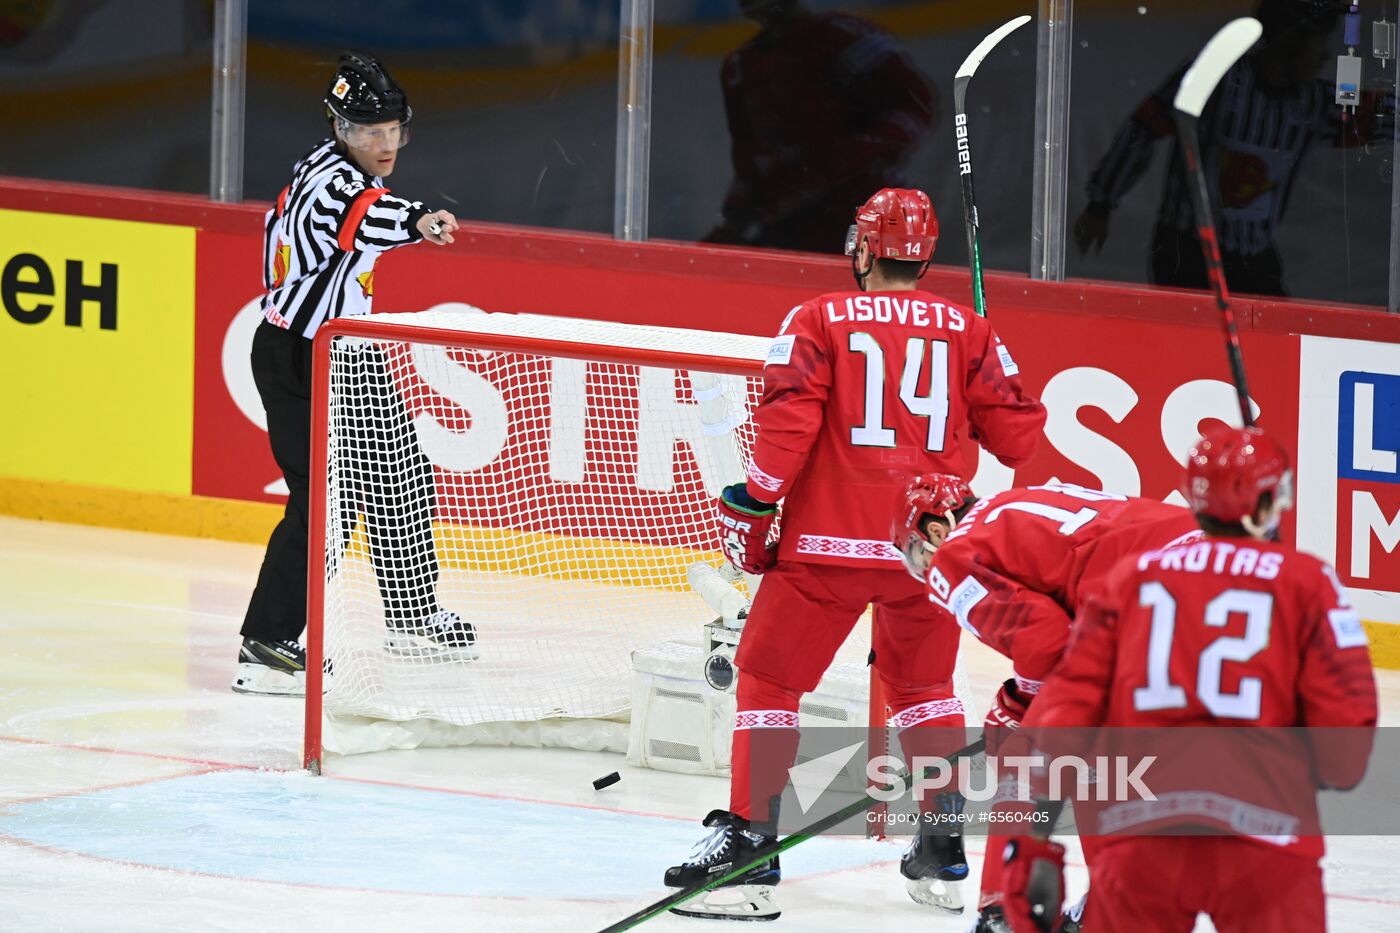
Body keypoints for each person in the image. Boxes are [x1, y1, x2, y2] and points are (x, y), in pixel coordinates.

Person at [661, 187, 1046, 921]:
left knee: (770, 679)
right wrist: (988, 353)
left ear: (864, 248)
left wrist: (758, 499)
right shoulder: (969, 328)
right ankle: (941, 849)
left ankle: (750, 853)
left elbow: (786, 429)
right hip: (927, 548)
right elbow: (1018, 439)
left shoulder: (817, 318)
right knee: (926, 688)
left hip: (826, 544)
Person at [996, 425, 1378, 933]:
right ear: (1270, 502)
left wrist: (1034, 838)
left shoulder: (1131, 578)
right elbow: (1347, 730)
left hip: (1143, 838)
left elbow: (1063, 714)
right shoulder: (1308, 581)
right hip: (1267, 837)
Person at [234, 50, 475, 697]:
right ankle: (265, 644)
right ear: (340, 129)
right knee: (323, 503)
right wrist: (421, 219)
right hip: (300, 357)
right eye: (370, 131)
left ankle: (410, 610)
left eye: (394, 129)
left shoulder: (342, 167)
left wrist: (411, 214)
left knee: (400, 468)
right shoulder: (331, 184)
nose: (385, 142)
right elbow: (363, 217)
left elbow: (368, 208)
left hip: (348, 353)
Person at [890, 474, 1203, 930]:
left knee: (1025, 750)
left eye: (918, 551)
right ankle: (1115, 905)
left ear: (937, 529)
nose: (925, 566)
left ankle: (1004, 909)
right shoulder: (1013, 503)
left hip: (1151, 603)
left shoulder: (955, 554)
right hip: (1225, 569)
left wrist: (1019, 705)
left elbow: (1046, 640)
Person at [1072, 0, 1379, 297]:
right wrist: (1100, 205)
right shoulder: (1220, 81)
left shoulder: (1310, 104)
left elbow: (1377, 114)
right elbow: (1146, 126)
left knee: (1271, 334)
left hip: (1252, 257)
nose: (1325, 55)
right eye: (1317, 40)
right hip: (1188, 251)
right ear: (1290, 40)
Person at [704, 0, 938, 252]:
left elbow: (914, 103)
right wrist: (734, 224)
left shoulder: (843, 36)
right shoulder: (738, 69)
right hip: (791, 236)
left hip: (860, 220)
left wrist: (853, 157)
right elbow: (751, 166)